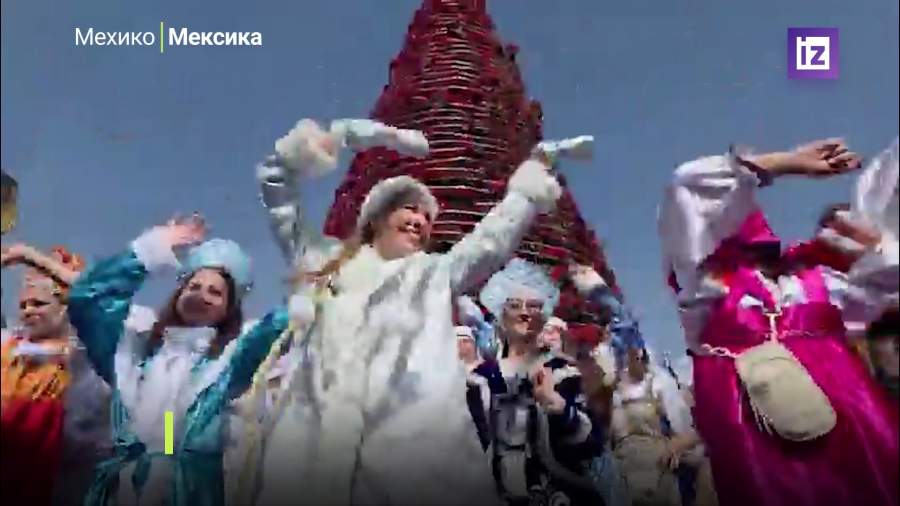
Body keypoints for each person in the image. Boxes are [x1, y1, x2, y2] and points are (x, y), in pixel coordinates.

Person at [250, 117, 594, 505]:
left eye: (427, 217)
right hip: (313, 458)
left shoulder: (437, 273)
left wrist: (528, 186)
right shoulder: (325, 263)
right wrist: (314, 148)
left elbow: (492, 240)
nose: (419, 221)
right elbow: (278, 194)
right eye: (409, 210)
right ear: (377, 217)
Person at [658, 138, 899, 506]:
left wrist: (876, 243)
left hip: (859, 447)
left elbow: (886, 270)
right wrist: (788, 162)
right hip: (770, 461)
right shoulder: (708, 290)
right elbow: (688, 186)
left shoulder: (822, 278)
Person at [65, 216, 293, 506]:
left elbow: (278, 327)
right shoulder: (134, 353)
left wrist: (314, 288)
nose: (201, 295)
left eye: (215, 292)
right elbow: (88, 299)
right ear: (178, 293)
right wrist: (150, 249)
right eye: (193, 286)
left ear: (229, 309)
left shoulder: (228, 362)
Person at [471, 258, 602, 506]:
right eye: (515, 305)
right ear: (501, 315)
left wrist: (559, 407)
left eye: (534, 306)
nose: (525, 313)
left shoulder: (563, 374)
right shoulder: (480, 378)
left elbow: (592, 443)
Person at [569, 264, 697, 506]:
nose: (616, 347)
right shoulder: (604, 389)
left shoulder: (656, 381)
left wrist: (677, 444)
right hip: (620, 485)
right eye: (610, 341)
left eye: (625, 343)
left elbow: (689, 433)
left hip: (660, 479)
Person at [1, 244, 112, 506]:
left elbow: (165, 417)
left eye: (38, 303)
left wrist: (30, 257)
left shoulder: (90, 356)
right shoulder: (7, 348)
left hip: (70, 485)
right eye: (23, 305)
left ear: (67, 307)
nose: (28, 310)